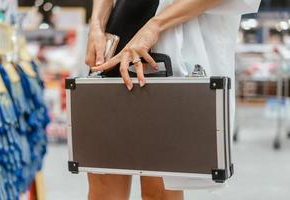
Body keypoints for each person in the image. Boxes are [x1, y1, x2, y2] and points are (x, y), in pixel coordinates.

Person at [86, 0, 261, 199]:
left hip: (164, 36)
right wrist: (96, 26)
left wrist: (156, 24)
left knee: (160, 185)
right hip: (117, 37)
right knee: (103, 179)